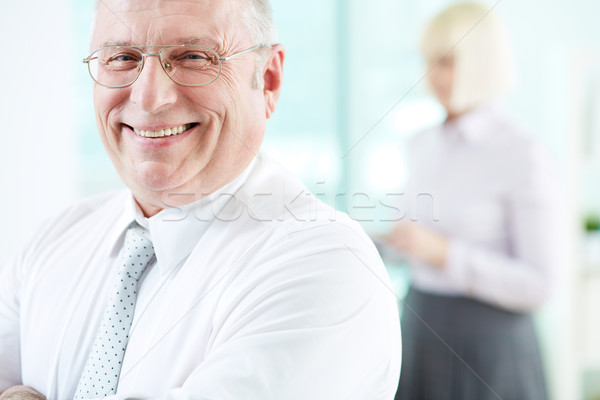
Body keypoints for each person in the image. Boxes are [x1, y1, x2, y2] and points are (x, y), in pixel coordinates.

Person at [0, 1, 401, 399]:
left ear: (268, 79)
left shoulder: (328, 265)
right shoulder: (52, 241)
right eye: (122, 57)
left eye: (194, 56)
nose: (149, 97)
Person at [384, 2, 563, 399]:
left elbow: (541, 284)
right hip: (418, 325)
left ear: (483, 63)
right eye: (428, 61)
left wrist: (445, 253)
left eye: (446, 62)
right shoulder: (421, 143)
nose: (433, 75)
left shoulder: (521, 153)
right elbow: (414, 235)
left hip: (490, 345)